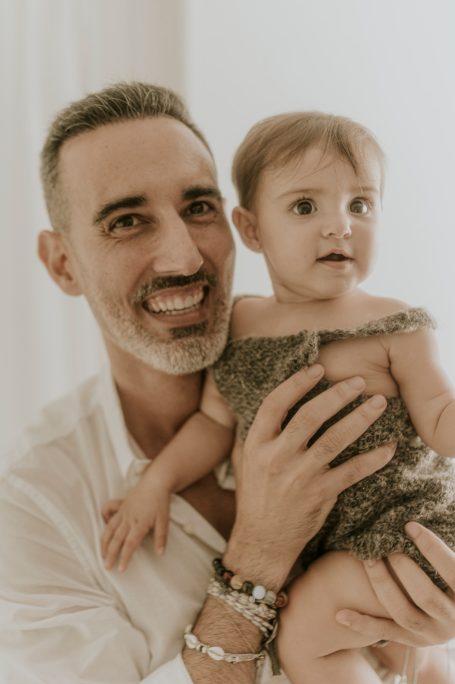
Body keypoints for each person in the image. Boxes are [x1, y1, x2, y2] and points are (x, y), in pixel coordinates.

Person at [0, 84, 454, 684]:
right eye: (127, 221)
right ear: (63, 263)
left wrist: (428, 633)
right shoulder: (33, 513)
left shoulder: (379, 337)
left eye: (197, 208)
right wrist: (257, 557)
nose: (183, 258)